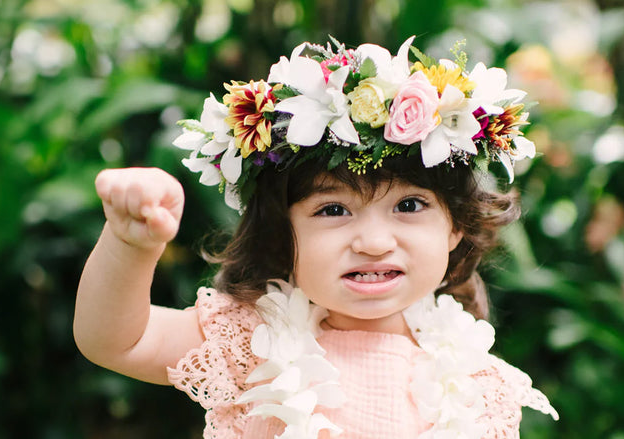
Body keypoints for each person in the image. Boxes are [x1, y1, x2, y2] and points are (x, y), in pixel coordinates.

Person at [74, 37, 559, 439]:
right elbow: (117, 341)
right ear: (280, 234)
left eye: (409, 206)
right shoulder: (251, 343)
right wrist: (130, 245)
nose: (373, 241)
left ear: (455, 226)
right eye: (333, 209)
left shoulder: (477, 383)